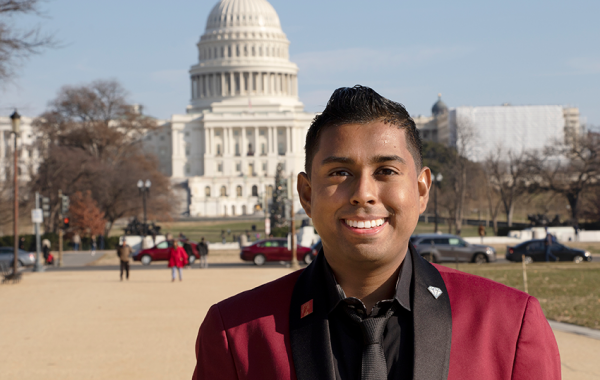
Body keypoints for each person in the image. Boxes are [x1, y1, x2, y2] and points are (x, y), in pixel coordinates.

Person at [192, 86, 560, 379]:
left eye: (386, 170)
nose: (363, 193)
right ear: (306, 194)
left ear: (421, 190)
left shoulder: (509, 324)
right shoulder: (236, 333)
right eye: (339, 172)